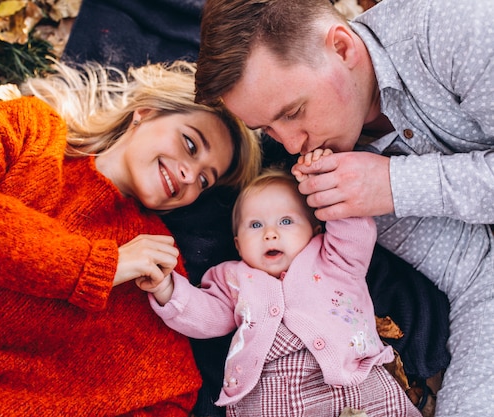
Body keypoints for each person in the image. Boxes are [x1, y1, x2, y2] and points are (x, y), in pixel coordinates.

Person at [0, 59, 262, 416]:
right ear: (145, 113)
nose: (190, 176)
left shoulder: (151, 254)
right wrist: (90, 267)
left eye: (205, 179)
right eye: (191, 144)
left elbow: (169, 394)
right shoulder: (33, 130)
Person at [193, 0, 494, 416]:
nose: (293, 145)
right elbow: (474, 269)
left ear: (341, 47)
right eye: (267, 130)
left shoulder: (454, 26)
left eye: (294, 112)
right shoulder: (331, 180)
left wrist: (394, 184)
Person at [137, 153, 421, 416]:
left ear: (315, 229)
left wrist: (322, 186)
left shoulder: (334, 259)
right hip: (268, 396)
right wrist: (167, 289)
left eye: (286, 221)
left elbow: (355, 231)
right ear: (237, 244)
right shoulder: (233, 277)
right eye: (255, 225)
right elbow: (207, 315)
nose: (270, 234)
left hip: (350, 382)